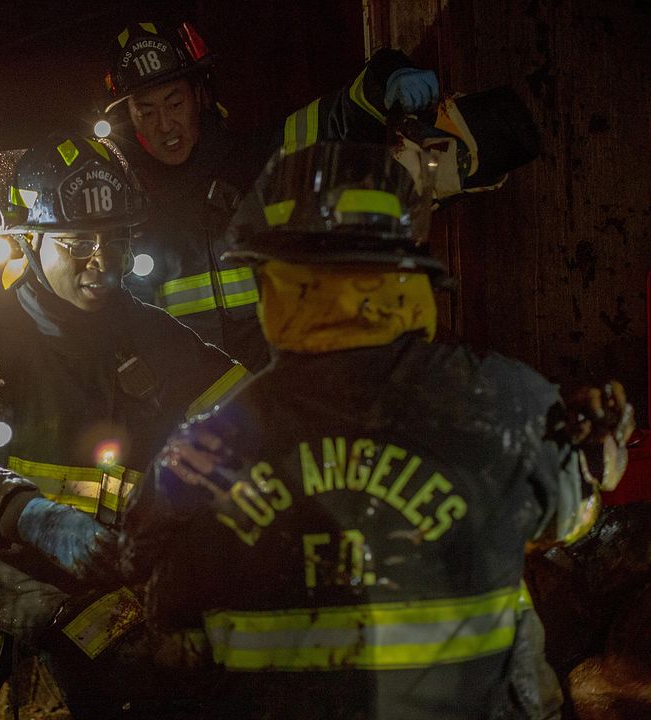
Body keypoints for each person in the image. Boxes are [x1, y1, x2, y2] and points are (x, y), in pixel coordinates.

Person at [118, 141, 635, 719]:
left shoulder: (203, 451)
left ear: (272, 284)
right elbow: (567, 515)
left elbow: (158, 599)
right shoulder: (510, 403)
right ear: (404, 271)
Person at [0, 131, 249, 720]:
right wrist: (31, 515)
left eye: (116, 241)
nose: (102, 261)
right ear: (29, 241)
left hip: (77, 615)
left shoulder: (150, 336)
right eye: (77, 243)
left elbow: (255, 418)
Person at [99, 18, 444, 373]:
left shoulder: (254, 160)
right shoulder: (122, 206)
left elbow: (334, 118)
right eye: (147, 111)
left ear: (198, 95)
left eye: (174, 103)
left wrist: (386, 80)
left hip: (281, 393)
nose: (165, 125)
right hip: (197, 411)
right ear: (128, 116)